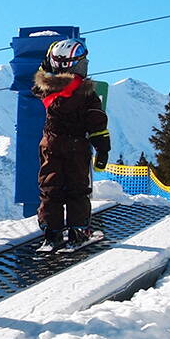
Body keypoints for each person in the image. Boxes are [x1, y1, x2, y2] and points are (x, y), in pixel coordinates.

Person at [30, 39, 110, 253]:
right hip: (77, 146)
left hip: (50, 144)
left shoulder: (46, 89)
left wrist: (45, 67)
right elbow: (97, 123)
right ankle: (78, 231)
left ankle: (51, 233)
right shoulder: (86, 93)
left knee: (50, 188)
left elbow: (37, 85)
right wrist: (103, 148)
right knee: (77, 189)